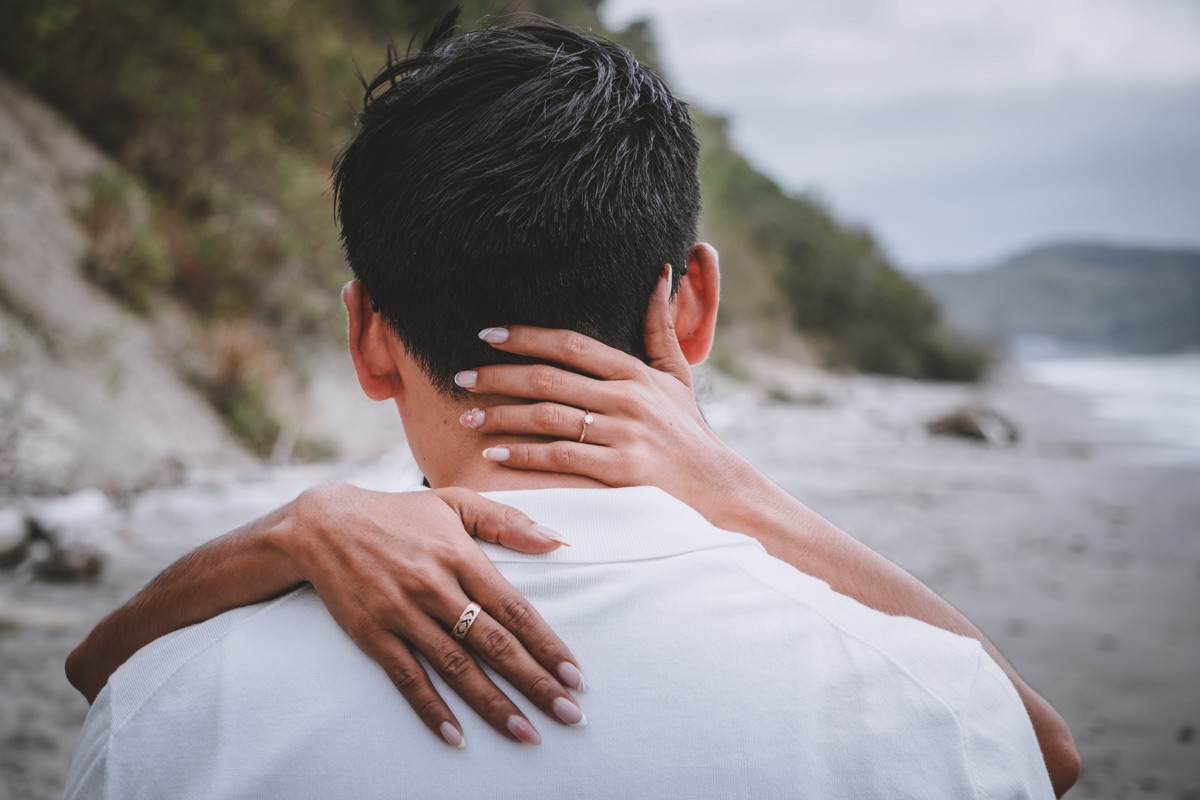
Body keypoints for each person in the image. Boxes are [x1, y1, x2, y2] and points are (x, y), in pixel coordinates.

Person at [64, 13, 1075, 798]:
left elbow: (98, 676)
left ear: (368, 335)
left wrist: (289, 526)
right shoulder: (933, 703)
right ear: (694, 305)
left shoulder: (173, 705)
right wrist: (738, 492)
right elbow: (1046, 751)